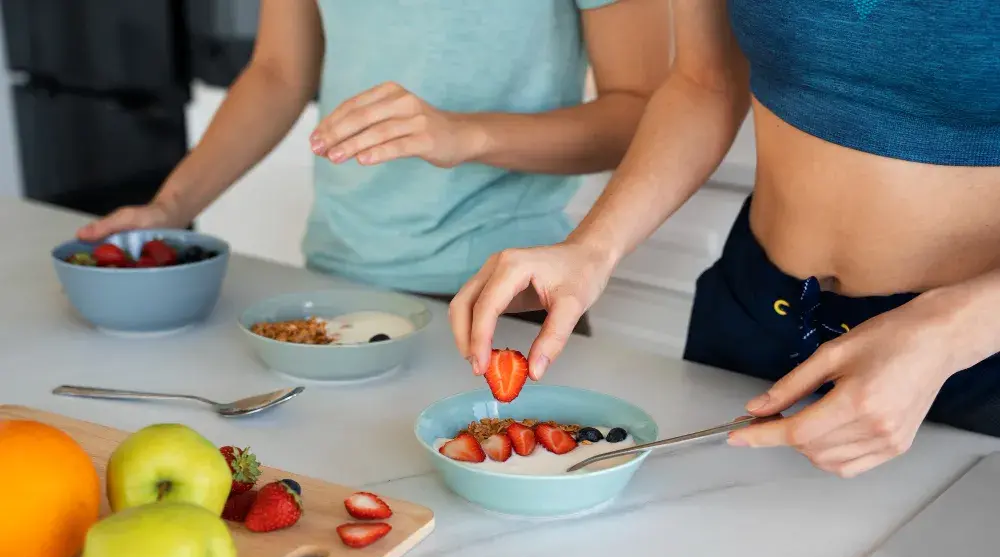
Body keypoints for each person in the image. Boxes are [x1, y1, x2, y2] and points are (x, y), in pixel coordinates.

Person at [449, 0, 1000, 477]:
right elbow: (704, 82)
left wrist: (948, 334)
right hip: (753, 310)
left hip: (969, 344)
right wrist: (593, 247)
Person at [76, 0, 673, 335]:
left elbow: (640, 115)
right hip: (334, 284)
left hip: (505, 295)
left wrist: (466, 134)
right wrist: (171, 206)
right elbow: (279, 73)